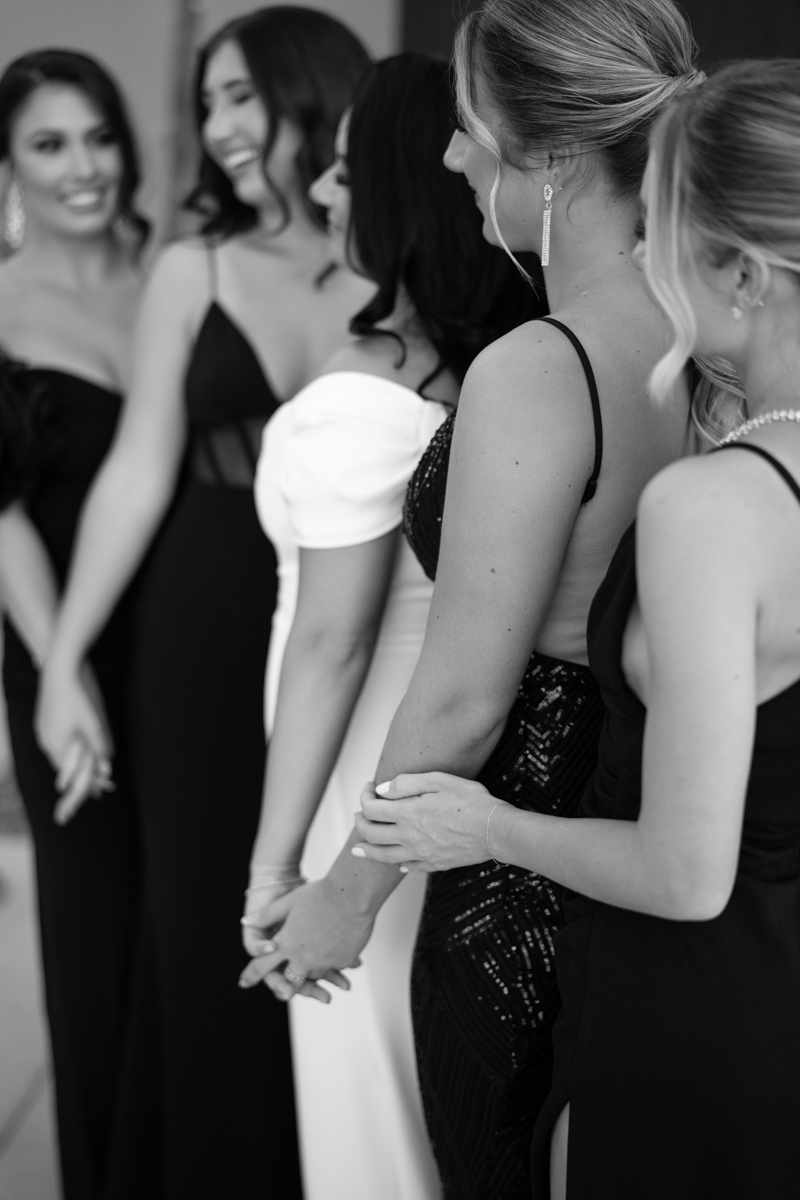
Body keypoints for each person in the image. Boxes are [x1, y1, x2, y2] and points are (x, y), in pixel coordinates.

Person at [240, 2, 705, 1196]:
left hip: (515, 876)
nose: (448, 159)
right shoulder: (710, 327)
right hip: (639, 824)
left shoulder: (540, 367)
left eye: (463, 128)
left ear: (545, 155)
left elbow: (460, 699)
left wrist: (344, 892)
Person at [353, 56, 800, 1200]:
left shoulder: (710, 505)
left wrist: (482, 825)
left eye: (656, 237)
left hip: (689, 1009)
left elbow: (683, 871)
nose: (640, 271)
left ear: (742, 274)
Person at [36, 9, 372, 1197]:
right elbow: (136, 470)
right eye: (208, 105)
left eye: (243, 99)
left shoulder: (396, 253)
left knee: (327, 904)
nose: (221, 130)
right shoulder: (194, 266)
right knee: (204, 910)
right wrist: (69, 661)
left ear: (311, 92)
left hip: (353, 622)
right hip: (199, 617)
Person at [239, 53, 545, 1200]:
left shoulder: (355, 396)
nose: (319, 194)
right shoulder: (497, 370)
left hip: (359, 779)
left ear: (395, 188)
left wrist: (279, 868)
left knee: (367, 1107)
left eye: (338, 169)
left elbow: (329, 648)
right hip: (448, 776)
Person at [0, 49, 147, 1200]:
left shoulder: (179, 269)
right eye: (51, 144)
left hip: (201, 642)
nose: (84, 166)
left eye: (97, 135)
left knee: (191, 926)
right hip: (65, 652)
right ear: (9, 164)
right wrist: (61, 672)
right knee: (97, 934)